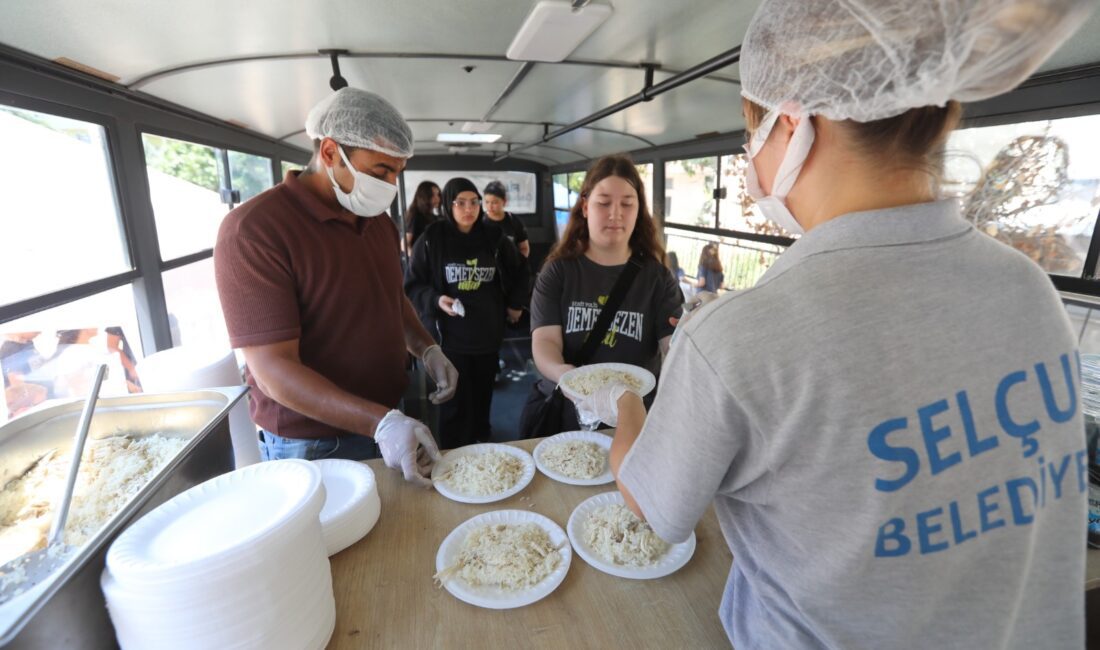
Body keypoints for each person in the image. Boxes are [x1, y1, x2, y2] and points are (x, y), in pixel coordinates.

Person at [578, 1, 1094, 647]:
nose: (750, 157)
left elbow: (652, 506)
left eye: (751, 133)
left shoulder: (738, 336)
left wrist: (626, 402)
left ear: (793, 123)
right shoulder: (1028, 288)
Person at [214, 87, 458, 487]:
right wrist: (379, 422)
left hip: (387, 415)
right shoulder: (254, 231)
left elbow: (389, 297)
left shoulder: (375, 219)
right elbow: (273, 369)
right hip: (312, 442)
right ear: (329, 153)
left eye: (396, 173)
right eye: (380, 172)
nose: (390, 185)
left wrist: (426, 348)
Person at [526, 154, 682, 435]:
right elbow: (545, 340)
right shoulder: (558, 272)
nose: (615, 214)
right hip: (571, 411)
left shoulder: (657, 278)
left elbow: (670, 345)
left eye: (627, 203)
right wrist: (564, 374)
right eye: (604, 202)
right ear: (585, 206)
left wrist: (690, 339)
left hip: (633, 418)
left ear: (638, 210)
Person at [405, 178, 528, 449]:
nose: (468, 208)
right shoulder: (432, 238)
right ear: (449, 205)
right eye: (460, 202)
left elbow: (520, 270)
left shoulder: (494, 236)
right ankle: (453, 447)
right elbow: (412, 285)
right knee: (453, 398)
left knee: (483, 391)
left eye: (474, 202)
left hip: (487, 331)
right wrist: (436, 300)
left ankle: (482, 435)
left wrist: (516, 305)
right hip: (448, 336)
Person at [482, 180, 530, 258]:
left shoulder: (514, 221)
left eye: (494, 202)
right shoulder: (480, 221)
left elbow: (524, 248)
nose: (490, 206)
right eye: (487, 202)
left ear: (504, 201)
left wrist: (519, 264)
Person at [403, 180, 441, 252]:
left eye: (438, 194)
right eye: (433, 195)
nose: (437, 198)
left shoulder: (434, 217)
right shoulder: (416, 216)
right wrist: (418, 260)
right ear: (424, 196)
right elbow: (404, 245)